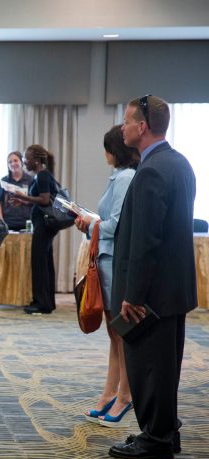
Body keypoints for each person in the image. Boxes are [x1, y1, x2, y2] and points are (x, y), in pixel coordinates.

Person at [108, 95, 196, 459]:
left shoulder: (151, 172)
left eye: (127, 121)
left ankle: (156, 439)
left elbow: (146, 241)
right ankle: (164, 431)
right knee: (165, 365)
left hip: (151, 294)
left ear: (142, 127)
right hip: (173, 289)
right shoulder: (179, 163)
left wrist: (133, 294)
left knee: (148, 367)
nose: (123, 127)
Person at [75, 125, 138, 427]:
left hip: (114, 261)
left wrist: (89, 223)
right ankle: (110, 392)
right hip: (107, 259)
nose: (104, 154)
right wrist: (91, 221)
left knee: (120, 334)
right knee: (114, 335)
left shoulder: (126, 177)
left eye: (106, 147)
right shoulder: (119, 176)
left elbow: (116, 224)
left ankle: (125, 395)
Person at [13, 145, 59, 314]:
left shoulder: (42, 175)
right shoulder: (42, 175)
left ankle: (42, 303)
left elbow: (45, 200)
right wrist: (25, 202)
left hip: (44, 225)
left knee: (39, 263)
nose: (24, 161)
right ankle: (47, 301)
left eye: (26, 158)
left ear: (36, 160)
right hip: (44, 224)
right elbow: (40, 199)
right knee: (45, 262)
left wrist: (22, 196)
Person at [0, 151, 32, 231]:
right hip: (8, 223)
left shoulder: (30, 180)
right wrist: (1, 221)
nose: (13, 164)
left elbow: (35, 201)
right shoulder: (3, 181)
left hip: (27, 223)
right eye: (10, 162)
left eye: (15, 160)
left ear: (21, 162)